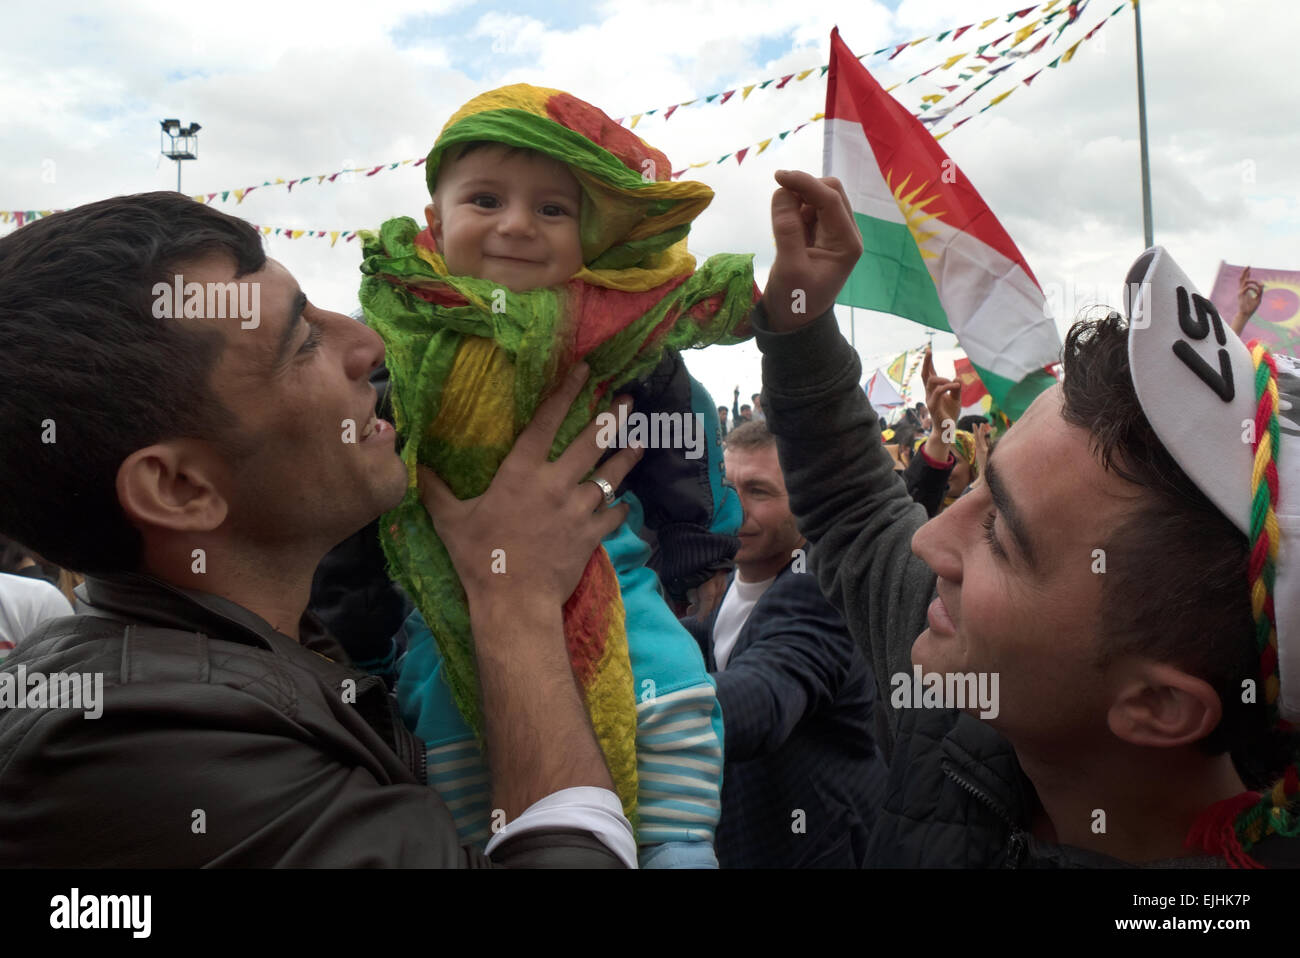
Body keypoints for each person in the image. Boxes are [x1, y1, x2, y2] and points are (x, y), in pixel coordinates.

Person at [0, 191, 644, 867]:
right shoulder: (138, 750)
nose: (369, 344)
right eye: (302, 342)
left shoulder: (207, 666)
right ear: (180, 488)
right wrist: (516, 601)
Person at [752, 171, 1300, 866]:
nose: (927, 536)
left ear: (1159, 705)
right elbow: (854, 512)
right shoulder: (958, 695)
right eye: (975, 488)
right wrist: (800, 322)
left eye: (1001, 539)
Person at [359, 83, 754, 868]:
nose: (515, 225)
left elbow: (684, 445)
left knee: (668, 686)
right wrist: (357, 643)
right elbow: (358, 523)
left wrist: (691, 553)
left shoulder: (626, 334)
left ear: (589, 240)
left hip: (617, 572)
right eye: (485, 199)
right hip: (448, 602)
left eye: (551, 210)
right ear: (435, 224)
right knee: (454, 724)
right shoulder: (396, 351)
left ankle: (677, 845)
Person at [682, 420, 885, 867]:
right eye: (725, 487)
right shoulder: (721, 579)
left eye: (758, 491)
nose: (734, 509)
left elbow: (767, 693)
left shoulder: (820, 588)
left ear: (806, 502)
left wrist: (647, 712)